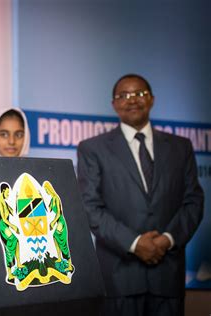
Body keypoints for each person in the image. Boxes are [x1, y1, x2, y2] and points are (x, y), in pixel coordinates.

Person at [77, 74, 204, 316]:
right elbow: (90, 207)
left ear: (152, 99)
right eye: (123, 95)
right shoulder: (92, 149)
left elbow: (194, 202)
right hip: (119, 279)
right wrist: (135, 243)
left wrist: (166, 239)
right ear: (113, 104)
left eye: (139, 94)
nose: (132, 100)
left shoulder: (181, 147)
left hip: (168, 276)